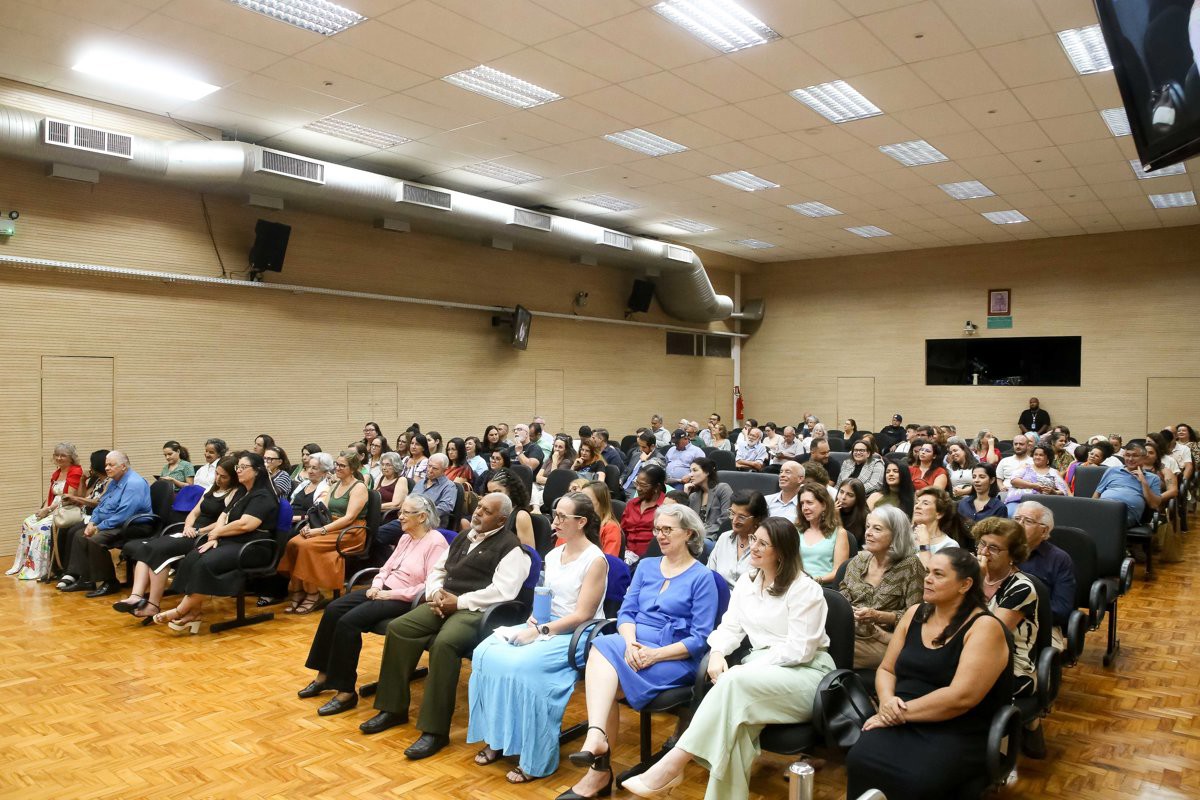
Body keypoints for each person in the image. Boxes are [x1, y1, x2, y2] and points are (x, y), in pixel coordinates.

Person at [624, 517, 835, 800]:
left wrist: (744, 668)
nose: (754, 547)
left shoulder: (805, 589)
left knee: (734, 680)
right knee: (736, 732)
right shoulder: (748, 583)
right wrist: (717, 654)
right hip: (757, 675)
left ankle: (673, 764)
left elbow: (800, 651)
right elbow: (730, 627)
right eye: (754, 540)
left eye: (763, 543)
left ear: (782, 551)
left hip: (807, 673)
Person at [559, 504, 718, 800]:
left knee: (604, 664)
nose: (660, 535)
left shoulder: (702, 577)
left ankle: (598, 767)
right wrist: (631, 643)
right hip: (632, 646)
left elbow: (700, 638)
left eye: (668, 529)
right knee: (605, 647)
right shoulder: (646, 566)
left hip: (674, 657)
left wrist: (655, 655)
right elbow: (627, 612)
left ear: (689, 534)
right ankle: (596, 744)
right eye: (658, 529)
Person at [357, 493, 532, 761]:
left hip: (477, 611)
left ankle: (435, 731)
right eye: (479, 507)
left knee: (445, 644)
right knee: (399, 628)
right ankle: (393, 708)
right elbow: (438, 570)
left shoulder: (512, 549)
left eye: (486, 511)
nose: (477, 513)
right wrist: (437, 592)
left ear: (501, 519)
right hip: (443, 602)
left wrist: (458, 602)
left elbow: (503, 592)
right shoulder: (464, 536)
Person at [845, 549, 1013, 800]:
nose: (928, 579)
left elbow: (961, 698)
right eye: (927, 572)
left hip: (956, 727)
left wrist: (896, 714)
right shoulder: (914, 613)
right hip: (899, 713)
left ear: (965, 584)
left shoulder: (984, 627)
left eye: (938, 574)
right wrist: (887, 702)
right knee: (859, 759)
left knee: (917, 779)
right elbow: (886, 669)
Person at [468, 492, 609, 784]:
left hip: (577, 634)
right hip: (545, 626)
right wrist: (534, 618)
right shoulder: (554, 554)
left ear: (581, 522)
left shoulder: (595, 560)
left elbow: (583, 614)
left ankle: (537, 757)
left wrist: (540, 631)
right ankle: (498, 738)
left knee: (525, 669)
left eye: (561, 517)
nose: (554, 521)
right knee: (485, 653)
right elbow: (545, 598)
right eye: (554, 515)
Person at [299, 495, 448, 716]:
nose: (400, 516)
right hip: (382, 589)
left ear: (422, 516)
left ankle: (346, 692)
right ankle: (324, 675)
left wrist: (390, 595)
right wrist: (377, 585)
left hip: (404, 599)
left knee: (348, 622)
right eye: (401, 511)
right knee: (332, 610)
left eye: (406, 513)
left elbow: (428, 586)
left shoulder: (435, 542)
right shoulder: (406, 537)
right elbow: (386, 568)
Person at [155, 452, 280, 632]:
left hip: (255, 546)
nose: (239, 470)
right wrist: (216, 535)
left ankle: (180, 610)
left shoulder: (263, 496)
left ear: (258, 471)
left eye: (243, 467)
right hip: (233, 540)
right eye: (238, 467)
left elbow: (246, 524)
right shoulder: (243, 491)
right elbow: (224, 514)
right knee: (193, 556)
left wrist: (217, 533)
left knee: (205, 563)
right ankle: (194, 614)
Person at [116, 456, 240, 622]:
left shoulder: (234, 493)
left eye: (223, 476)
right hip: (190, 531)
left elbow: (223, 522)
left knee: (158, 551)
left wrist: (198, 530)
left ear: (233, 477)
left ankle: (153, 604)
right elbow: (194, 513)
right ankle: (136, 596)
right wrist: (188, 526)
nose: (218, 478)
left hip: (204, 535)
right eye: (217, 474)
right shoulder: (211, 488)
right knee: (147, 547)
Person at [973, 517, 1045, 757]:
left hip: (1012, 665)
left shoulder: (1021, 588)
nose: (984, 552)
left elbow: (990, 633)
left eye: (994, 548)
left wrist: (972, 587)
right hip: (972, 654)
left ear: (1012, 555)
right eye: (981, 544)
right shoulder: (971, 578)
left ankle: (994, 759)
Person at [276, 449, 369, 614]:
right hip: (330, 526)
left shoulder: (359, 487)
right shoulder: (334, 485)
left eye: (342, 465)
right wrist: (310, 525)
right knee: (293, 543)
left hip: (350, 532)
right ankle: (298, 591)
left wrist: (320, 530)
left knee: (307, 546)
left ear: (353, 468)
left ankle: (313, 594)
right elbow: (321, 511)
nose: (337, 468)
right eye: (337, 465)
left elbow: (349, 518)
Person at [839, 506, 926, 669]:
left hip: (883, 638)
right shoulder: (858, 561)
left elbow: (916, 616)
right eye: (868, 527)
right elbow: (843, 596)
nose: (868, 533)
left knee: (830, 651)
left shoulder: (911, 566)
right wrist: (847, 610)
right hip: (849, 631)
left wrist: (878, 616)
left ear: (895, 536)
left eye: (877, 529)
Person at [62, 451, 153, 597]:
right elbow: (101, 505)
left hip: (135, 525)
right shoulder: (114, 481)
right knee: (80, 535)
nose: (107, 468)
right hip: (116, 523)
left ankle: (110, 582)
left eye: (111, 465)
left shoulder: (134, 483)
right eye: (106, 465)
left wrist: (99, 527)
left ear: (123, 466)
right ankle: (85, 579)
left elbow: (125, 514)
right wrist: (92, 522)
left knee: (94, 540)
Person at [9, 442, 83, 580]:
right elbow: (52, 496)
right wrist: (44, 509)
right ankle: (26, 565)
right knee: (28, 523)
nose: (59, 458)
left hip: (67, 508)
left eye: (63, 455)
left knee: (41, 528)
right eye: (57, 455)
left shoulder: (75, 471)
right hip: (53, 507)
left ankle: (44, 568)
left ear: (71, 457)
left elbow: (68, 498)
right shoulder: (57, 472)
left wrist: (48, 510)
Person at [1014, 501, 1076, 645]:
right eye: (1016, 519)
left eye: (1028, 521)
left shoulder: (1059, 559)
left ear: (1044, 531)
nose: (1019, 525)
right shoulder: (1003, 552)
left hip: (1043, 625)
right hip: (1000, 619)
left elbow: (1062, 609)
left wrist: (1021, 612)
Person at [51, 449, 111, 585]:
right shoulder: (96, 480)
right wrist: (83, 480)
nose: (89, 467)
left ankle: (73, 572)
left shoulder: (109, 482)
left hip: (94, 515)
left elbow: (97, 502)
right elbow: (84, 496)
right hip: (84, 513)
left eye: (92, 464)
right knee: (64, 528)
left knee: (73, 531)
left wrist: (73, 497)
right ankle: (62, 568)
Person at [707, 490, 764, 588]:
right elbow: (709, 574)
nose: (734, 520)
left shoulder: (764, 545)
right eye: (732, 513)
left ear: (757, 518)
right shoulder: (724, 538)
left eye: (741, 517)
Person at [797, 482, 849, 585]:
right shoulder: (796, 530)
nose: (805, 508)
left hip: (824, 588)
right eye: (802, 503)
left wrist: (816, 580)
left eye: (809, 502)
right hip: (797, 584)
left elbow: (839, 571)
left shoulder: (839, 533)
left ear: (824, 505)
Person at [480, 467, 536, 549]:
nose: (493, 497)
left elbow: (529, 554)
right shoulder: (487, 512)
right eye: (489, 493)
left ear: (511, 490)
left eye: (497, 492)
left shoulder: (521, 516)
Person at [912, 487, 968, 567]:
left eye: (925, 503)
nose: (917, 506)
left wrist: (924, 543)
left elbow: (929, 576)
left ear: (939, 514)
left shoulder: (949, 545)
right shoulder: (904, 537)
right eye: (917, 503)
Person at [1006, 444, 1070, 515]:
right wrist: (1033, 486)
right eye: (1035, 454)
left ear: (1048, 458)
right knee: (1010, 513)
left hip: (1044, 504)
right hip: (1020, 500)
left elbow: (1064, 492)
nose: (1037, 457)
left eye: (1041, 455)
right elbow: (1014, 481)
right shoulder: (1026, 467)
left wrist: (1054, 492)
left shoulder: (1054, 472)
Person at [620, 465, 666, 560]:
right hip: (625, 554)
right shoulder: (632, 504)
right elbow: (622, 531)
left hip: (650, 558)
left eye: (643, 485)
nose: (638, 488)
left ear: (657, 487)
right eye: (637, 484)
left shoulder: (665, 507)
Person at [684, 458, 733, 537]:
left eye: (695, 470)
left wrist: (702, 534)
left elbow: (726, 518)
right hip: (695, 537)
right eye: (690, 471)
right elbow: (686, 520)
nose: (690, 475)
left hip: (715, 536)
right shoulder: (693, 496)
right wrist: (686, 493)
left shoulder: (723, 489)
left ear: (707, 472)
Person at [958, 463, 1008, 529]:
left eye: (982, 477)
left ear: (992, 480)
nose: (976, 480)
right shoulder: (963, 503)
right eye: (974, 477)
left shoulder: (999, 508)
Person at [410, 453, 457, 523]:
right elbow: (410, 500)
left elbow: (444, 508)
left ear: (444, 470)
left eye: (435, 468)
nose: (430, 470)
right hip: (410, 519)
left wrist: (421, 515)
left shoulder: (449, 486)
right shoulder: (420, 482)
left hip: (430, 523)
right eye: (429, 466)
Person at [620, 431, 667, 499]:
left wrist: (645, 461)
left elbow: (652, 476)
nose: (640, 449)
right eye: (640, 446)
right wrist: (620, 480)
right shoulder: (636, 454)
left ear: (652, 446)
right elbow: (626, 471)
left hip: (637, 491)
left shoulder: (660, 459)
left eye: (644, 447)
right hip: (622, 488)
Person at [534, 435, 575, 506]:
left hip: (553, 490)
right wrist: (548, 480)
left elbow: (555, 479)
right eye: (555, 446)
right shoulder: (549, 460)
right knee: (530, 489)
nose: (557, 449)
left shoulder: (567, 462)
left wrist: (555, 460)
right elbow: (538, 478)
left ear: (566, 450)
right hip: (540, 486)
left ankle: (536, 509)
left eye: (560, 447)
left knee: (538, 495)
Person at [837, 479, 869, 544]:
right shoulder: (830, 510)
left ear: (858, 498)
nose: (843, 497)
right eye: (841, 492)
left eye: (850, 495)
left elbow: (848, 543)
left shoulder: (865, 517)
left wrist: (837, 518)